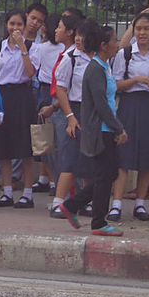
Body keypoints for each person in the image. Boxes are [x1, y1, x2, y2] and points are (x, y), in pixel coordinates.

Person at [58, 21, 127, 236]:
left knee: (107, 173)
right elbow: (101, 104)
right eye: (115, 40)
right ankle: (98, 221)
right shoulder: (95, 69)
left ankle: (72, 206)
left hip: (106, 128)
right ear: (104, 45)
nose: (117, 44)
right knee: (104, 175)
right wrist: (118, 129)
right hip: (101, 130)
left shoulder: (104, 66)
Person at [109, 11, 149, 222]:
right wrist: (137, 80)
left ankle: (140, 204)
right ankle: (116, 205)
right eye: (138, 29)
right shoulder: (125, 54)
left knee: (148, 157)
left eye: (146, 28)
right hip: (130, 105)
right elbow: (116, 84)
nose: (142, 33)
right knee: (123, 156)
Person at [39, 18, 93, 217]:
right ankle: (58, 203)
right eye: (77, 35)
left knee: (89, 158)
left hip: (90, 112)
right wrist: (70, 116)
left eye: (83, 36)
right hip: (74, 109)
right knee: (70, 158)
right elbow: (61, 89)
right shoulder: (70, 58)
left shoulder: (96, 59)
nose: (79, 40)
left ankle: (85, 201)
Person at [0, 9, 37, 208]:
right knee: (3, 147)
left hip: (23, 96)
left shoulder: (33, 47)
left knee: (25, 148)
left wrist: (23, 47)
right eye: (12, 24)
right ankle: (7, 192)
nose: (15, 28)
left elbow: (31, 72)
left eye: (19, 25)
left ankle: (27, 193)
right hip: (3, 96)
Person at [30, 13, 64, 193]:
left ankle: (49, 179)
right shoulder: (66, 48)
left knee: (46, 136)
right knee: (54, 137)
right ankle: (49, 179)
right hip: (55, 91)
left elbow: (33, 69)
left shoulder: (40, 48)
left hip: (46, 90)